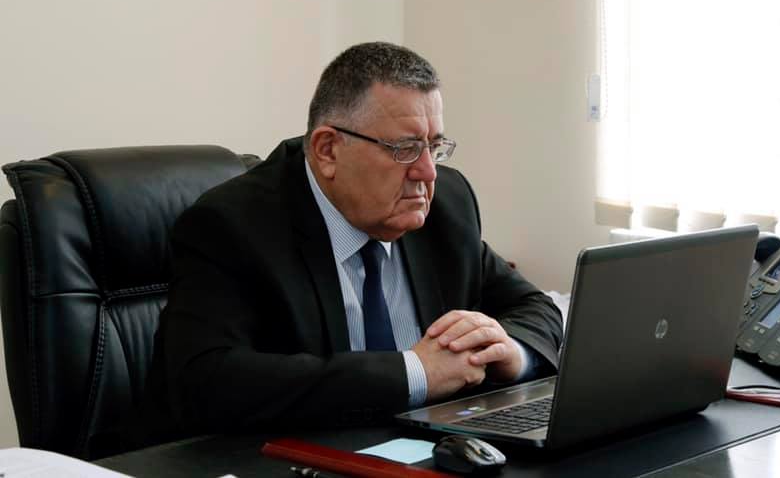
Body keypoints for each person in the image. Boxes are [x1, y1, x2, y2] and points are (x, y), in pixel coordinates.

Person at [141, 42, 563, 437]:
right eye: (405, 149)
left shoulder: (445, 205)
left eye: (434, 147)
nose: (427, 172)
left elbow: (534, 306)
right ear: (328, 150)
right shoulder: (233, 225)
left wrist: (507, 352)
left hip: (420, 447)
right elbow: (206, 381)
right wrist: (416, 373)